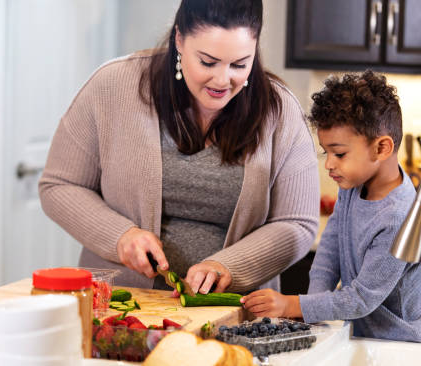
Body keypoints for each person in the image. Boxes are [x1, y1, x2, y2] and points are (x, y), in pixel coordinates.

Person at [38, 0, 319, 294]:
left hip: (235, 317)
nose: (223, 80)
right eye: (208, 62)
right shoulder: (112, 86)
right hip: (123, 307)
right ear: (180, 40)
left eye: (239, 64)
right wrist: (121, 236)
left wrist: (229, 267)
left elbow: (297, 223)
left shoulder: (280, 110)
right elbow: (59, 185)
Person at [241, 71, 421, 344]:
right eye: (326, 152)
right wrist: (312, 307)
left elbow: (361, 299)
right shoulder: (353, 186)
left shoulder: (398, 217)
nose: (329, 164)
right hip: (368, 341)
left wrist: (294, 306)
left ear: (382, 148)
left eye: (339, 153)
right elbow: (331, 248)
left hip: (408, 345)